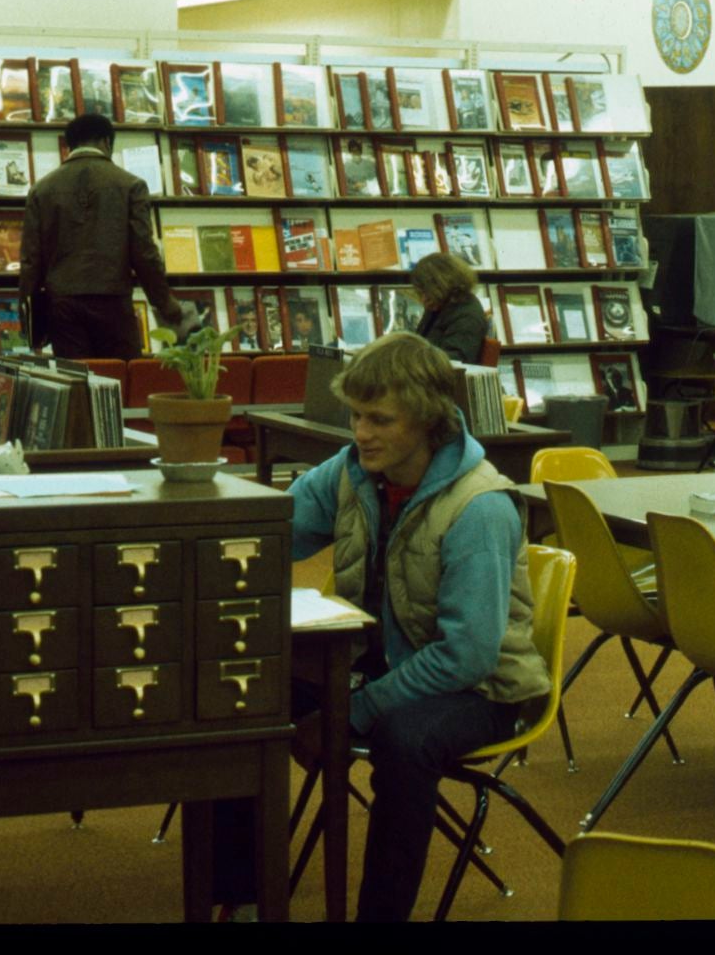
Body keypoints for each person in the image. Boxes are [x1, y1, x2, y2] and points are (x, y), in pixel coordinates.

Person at [212, 332, 549, 921]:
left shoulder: (480, 506)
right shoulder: (353, 471)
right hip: (373, 663)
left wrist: (352, 714)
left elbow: (467, 656)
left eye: (380, 420)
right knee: (241, 693)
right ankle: (242, 900)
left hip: (481, 688)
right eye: (356, 416)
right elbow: (273, 535)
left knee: (403, 740)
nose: (361, 432)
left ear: (426, 421)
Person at [18, 112, 194, 359]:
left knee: (78, 385)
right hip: (113, 303)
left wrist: (30, 318)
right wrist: (163, 302)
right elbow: (143, 251)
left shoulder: (41, 190)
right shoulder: (131, 185)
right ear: (106, 142)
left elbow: (30, 260)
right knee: (122, 381)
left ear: (70, 144)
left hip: (63, 306)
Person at [411, 251, 489, 364]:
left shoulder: (467, 315)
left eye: (426, 292)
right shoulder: (440, 307)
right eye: (420, 293)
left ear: (443, 285)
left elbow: (454, 361)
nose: (423, 299)